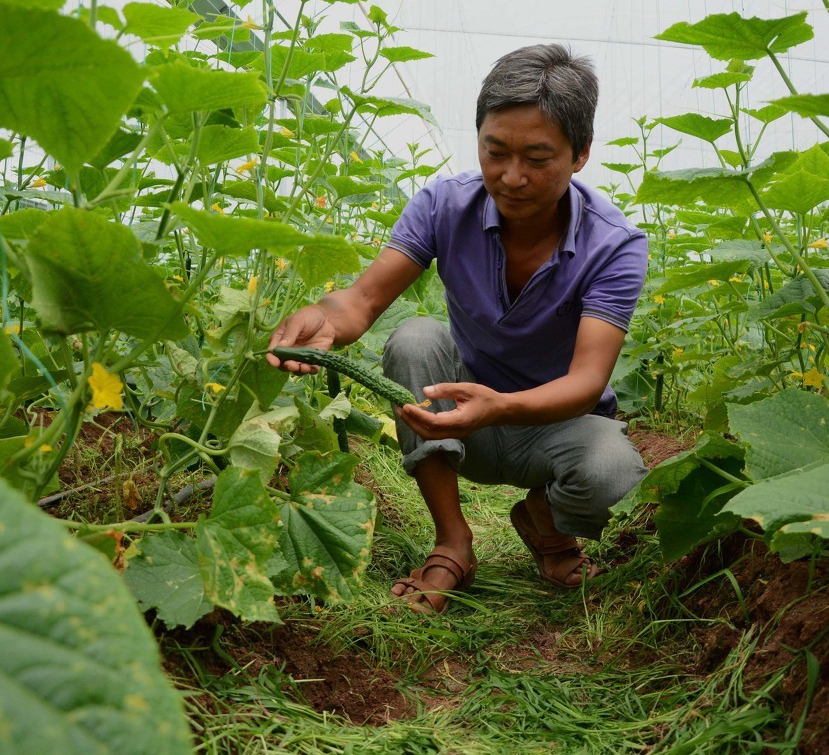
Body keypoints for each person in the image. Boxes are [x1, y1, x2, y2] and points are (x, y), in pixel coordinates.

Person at [267, 44, 648, 613]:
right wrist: (325, 317)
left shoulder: (614, 244)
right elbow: (363, 300)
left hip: (554, 422)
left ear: (580, 155)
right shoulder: (445, 205)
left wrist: (500, 406)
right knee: (416, 337)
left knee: (615, 474)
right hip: (457, 414)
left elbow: (588, 380)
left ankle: (544, 519)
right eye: (495, 151)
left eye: (538, 159)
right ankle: (454, 542)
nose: (511, 177)